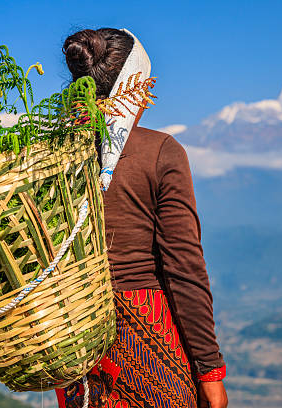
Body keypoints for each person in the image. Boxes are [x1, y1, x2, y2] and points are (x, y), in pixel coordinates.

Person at [55, 27, 228, 408]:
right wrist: (209, 371)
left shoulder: (52, 156)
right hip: (148, 343)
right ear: (134, 85)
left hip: (79, 345)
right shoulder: (161, 152)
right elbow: (184, 270)